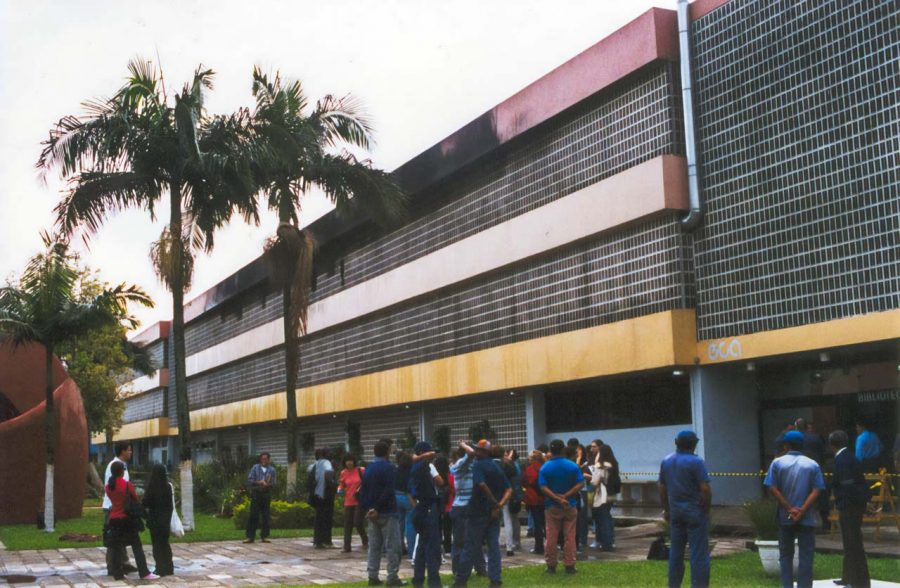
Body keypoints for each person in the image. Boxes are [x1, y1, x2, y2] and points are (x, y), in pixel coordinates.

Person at [764, 430, 825, 588]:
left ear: (786, 445)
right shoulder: (812, 464)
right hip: (807, 517)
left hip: (785, 516)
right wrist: (802, 510)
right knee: (806, 555)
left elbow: (772, 487)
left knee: (785, 555)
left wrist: (789, 508)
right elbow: (817, 489)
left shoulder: (777, 463)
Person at [453, 439, 511, 588]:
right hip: (493, 513)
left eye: (479, 450)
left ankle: (461, 581)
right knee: (493, 546)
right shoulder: (496, 466)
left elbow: (481, 484)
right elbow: (508, 489)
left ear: (484, 452)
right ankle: (495, 580)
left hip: (477, 511)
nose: (476, 452)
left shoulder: (478, 465)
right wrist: (499, 505)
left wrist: (493, 502)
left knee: (470, 546)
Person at [658, 430, 711, 588]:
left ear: (676, 442)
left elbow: (661, 487)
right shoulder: (696, 462)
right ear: (694, 444)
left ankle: (674, 585)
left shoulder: (666, 461)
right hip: (694, 510)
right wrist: (706, 509)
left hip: (676, 512)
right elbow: (706, 489)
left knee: (676, 552)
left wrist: (666, 509)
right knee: (698, 553)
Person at [359, 440, 406, 587]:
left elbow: (362, 491)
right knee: (393, 546)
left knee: (374, 546)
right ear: (387, 452)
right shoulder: (389, 468)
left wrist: (369, 508)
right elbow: (388, 490)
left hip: (372, 514)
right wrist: (378, 508)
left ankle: (372, 576)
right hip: (388, 511)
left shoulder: (368, 469)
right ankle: (392, 577)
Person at [829, 430, 870, 588]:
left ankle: (860, 581)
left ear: (832, 444)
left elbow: (847, 485)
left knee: (853, 544)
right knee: (849, 542)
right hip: (852, 504)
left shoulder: (842, 460)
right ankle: (848, 576)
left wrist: (843, 503)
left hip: (849, 506)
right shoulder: (848, 457)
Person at [105, 461, 158, 580]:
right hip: (126, 519)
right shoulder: (127, 485)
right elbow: (135, 498)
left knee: (117, 547)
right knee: (136, 546)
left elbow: (114, 500)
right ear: (122, 471)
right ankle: (144, 572)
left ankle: (118, 573)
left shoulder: (108, 487)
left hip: (114, 519)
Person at [538, 438, 584, 575]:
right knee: (570, 536)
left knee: (551, 536)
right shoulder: (572, 466)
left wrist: (556, 497)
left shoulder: (545, 467)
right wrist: (566, 496)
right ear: (563, 449)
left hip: (551, 506)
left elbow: (542, 487)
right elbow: (580, 483)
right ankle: (569, 565)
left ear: (551, 451)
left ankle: (551, 565)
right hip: (570, 504)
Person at [448, 441, 486, 577]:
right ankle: (458, 569)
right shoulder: (459, 466)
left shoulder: (474, 466)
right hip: (461, 507)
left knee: (475, 539)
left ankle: (480, 568)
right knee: (460, 540)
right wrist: (463, 444)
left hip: (472, 507)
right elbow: (471, 453)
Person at [409, 441, 443, 588]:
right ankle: (434, 582)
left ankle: (418, 580)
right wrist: (427, 456)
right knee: (432, 547)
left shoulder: (412, 467)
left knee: (422, 546)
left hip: (420, 508)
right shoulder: (422, 466)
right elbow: (440, 482)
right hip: (428, 507)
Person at [103, 442, 136, 575]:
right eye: (129, 450)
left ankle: (124, 562)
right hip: (112, 507)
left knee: (120, 537)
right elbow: (112, 487)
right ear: (122, 451)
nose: (130, 452)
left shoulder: (122, 466)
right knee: (112, 538)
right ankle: (112, 565)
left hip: (120, 507)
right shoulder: (114, 465)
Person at [141, 464, 174, 576]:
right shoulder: (168, 487)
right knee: (165, 544)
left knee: (157, 545)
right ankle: (169, 567)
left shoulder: (152, 487)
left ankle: (160, 567)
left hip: (155, 521)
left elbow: (145, 503)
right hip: (165, 521)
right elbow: (170, 505)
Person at [590, 443, 617, 551]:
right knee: (607, 518)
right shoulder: (612, 464)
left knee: (602, 520)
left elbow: (595, 482)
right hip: (611, 494)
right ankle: (609, 541)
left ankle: (605, 543)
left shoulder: (600, 465)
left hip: (601, 495)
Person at [338, 453, 368, 552]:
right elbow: (342, 485)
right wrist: (340, 489)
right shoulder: (343, 473)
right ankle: (347, 546)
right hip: (348, 500)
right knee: (347, 523)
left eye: (351, 460)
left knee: (358, 521)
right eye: (347, 461)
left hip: (359, 500)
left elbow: (367, 482)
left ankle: (365, 540)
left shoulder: (361, 470)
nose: (349, 463)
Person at [244, 452, 276, 544]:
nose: (264, 460)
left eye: (266, 459)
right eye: (262, 459)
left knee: (266, 516)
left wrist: (267, 484)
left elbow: (273, 483)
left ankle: (264, 536)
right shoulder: (255, 468)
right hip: (256, 494)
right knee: (253, 515)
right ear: (260, 459)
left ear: (268, 460)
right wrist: (260, 482)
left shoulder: (272, 470)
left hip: (266, 495)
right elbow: (250, 480)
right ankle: (250, 537)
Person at [309, 448, 337, 548]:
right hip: (326, 495)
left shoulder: (315, 464)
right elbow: (329, 476)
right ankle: (327, 541)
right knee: (327, 518)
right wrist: (335, 485)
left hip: (317, 495)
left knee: (319, 518)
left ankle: (318, 540)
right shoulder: (327, 463)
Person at [522, 450, 545, 555]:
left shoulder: (530, 469)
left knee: (537, 525)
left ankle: (539, 547)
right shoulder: (544, 466)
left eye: (530, 457)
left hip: (534, 498)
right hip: (545, 498)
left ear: (534, 459)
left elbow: (528, 482)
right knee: (547, 524)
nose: (528, 458)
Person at [500, 448, 523, 556]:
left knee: (508, 520)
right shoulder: (516, 466)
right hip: (516, 495)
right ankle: (516, 542)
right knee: (514, 519)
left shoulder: (506, 467)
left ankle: (509, 546)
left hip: (507, 495)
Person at [394, 451, 416, 557]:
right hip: (407, 497)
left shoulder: (396, 471)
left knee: (399, 524)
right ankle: (412, 551)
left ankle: (399, 549)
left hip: (396, 496)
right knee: (410, 524)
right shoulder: (412, 471)